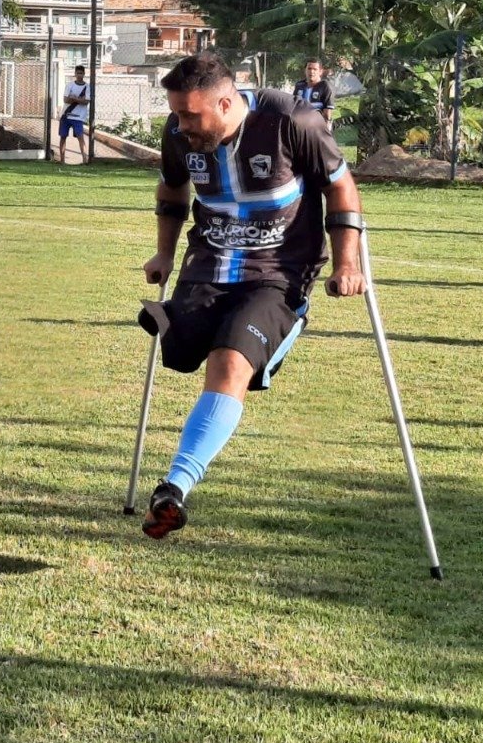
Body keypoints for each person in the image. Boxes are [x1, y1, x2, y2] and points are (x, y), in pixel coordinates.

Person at [137, 51, 366, 539]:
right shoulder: (180, 135)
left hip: (278, 274)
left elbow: (340, 187)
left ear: (225, 103)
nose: (180, 125)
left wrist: (348, 263)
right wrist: (164, 254)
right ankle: (179, 320)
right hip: (210, 267)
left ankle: (174, 488)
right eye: (175, 113)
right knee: (177, 346)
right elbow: (173, 189)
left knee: (231, 360)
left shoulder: (290, 121)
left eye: (189, 114)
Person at [58, 64, 91, 165]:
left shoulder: (87, 87)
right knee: (63, 137)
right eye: (77, 73)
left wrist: (74, 98)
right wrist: (79, 99)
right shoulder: (70, 85)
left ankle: (84, 160)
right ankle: (62, 160)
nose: (79, 75)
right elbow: (65, 99)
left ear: (84, 74)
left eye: (81, 73)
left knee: (81, 137)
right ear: (75, 74)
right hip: (66, 115)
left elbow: (86, 101)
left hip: (78, 117)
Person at [293, 57, 335, 123]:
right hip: (300, 125)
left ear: (320, 71)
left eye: (315, 69)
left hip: (317, 126)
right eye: (309, 68)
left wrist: (326, 129)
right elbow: (294, 106)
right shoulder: (299, 85)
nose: (311, 71)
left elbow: (327, 114)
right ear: (305, 70)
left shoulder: (325, 86)